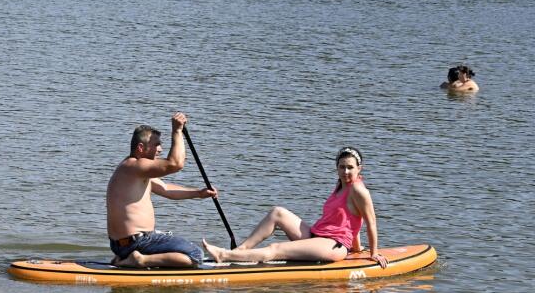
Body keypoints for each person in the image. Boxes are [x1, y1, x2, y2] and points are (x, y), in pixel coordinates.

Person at [202, 147, 388, 269]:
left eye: (350, 168)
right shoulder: (340, 185)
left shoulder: (358, 189)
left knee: (277, 248)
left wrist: (373, 253)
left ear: (359, 168)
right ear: (337, 168)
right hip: (317, 235)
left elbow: (370, 222)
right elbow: (351, 220)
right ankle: (241, 251)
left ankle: (224, 255)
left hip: (332, 244)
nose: (345, 172)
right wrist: (356, 248)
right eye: (341, 167)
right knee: (278, 212)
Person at [106, 112, 217, 268]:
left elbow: (167, 190)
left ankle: (125, 259)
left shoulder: (132, 169)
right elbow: (175, 163)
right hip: (138, 242)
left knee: (167, 237)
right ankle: (140, 260)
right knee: (195, 255)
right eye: (156, 144)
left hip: (121, 245)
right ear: (140, 147)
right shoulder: (136, 167)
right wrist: (177, 131)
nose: (160, 149)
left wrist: (199, 193)